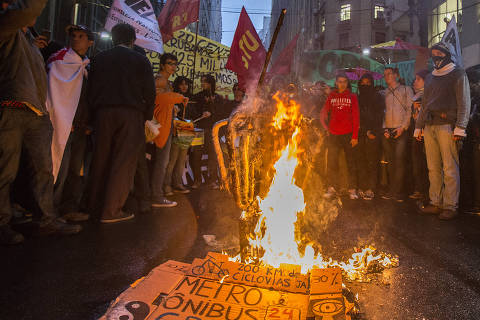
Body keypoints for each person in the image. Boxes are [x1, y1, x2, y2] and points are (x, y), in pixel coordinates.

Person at [0, 0, 81, 244]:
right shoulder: (5, 27)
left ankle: (45, 218)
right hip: (10, 107)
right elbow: (27, 10)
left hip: (35, 113)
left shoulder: (28, 41)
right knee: (5, 171)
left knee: (43, 170)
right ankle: (2, 223)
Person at [86, 23, 155, 223]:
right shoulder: (141, 60)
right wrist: (146, 116)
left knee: (100, 159)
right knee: (124, 162)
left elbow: (90, 91)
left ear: (113, 39)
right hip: (130, 114)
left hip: (102, 113)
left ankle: (93, 207)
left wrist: (92, 117)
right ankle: (112, 211)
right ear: (133, 40)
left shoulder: (99, 59)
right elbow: (149, 93)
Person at [414, 42, 471, 220]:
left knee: (449, 168)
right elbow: (425, 105)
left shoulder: (457, 73)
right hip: (430, 125)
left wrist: (460, 127)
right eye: (434, 53)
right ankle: (435, 202)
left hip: (447, 125)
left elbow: (464, 102)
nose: (436, 55)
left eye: (440, 52)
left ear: (447, 54)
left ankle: (450, 205)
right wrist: (418, 127)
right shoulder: (431, 77)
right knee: (433, 167)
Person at [46, 25, 93, 222]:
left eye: (81, 36)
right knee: (59, 168)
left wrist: (88, 123)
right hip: (61, 124)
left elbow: (86, 98)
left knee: (76, 170)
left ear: (90, 42)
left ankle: (69, 208)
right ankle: (51, 210)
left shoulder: (86, 66)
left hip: (80, 128)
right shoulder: (60, 60)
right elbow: (54, 92)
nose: (76, 39)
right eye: (73, 36)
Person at [151, 53, 188, 207]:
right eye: (169, 63)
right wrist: (177, 98)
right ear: (162, 65)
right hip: (159, 126)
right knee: (162, 162)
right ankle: (157, 196)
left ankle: (157, 193)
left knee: (163, 162)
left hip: (165, 125)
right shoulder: (159, 80)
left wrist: (173, 108)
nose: (173, 66)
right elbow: (157, 99)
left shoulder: (167, 82)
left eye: (175, 63)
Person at [321, 73, 360, 200]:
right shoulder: (331, 96)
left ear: (347, 83)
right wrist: (327, 128)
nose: (342, 84)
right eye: (339, 81)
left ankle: (352, 189)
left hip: (348, 134)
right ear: (336, 83)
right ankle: (332, 187)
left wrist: (355, 136)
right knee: (332, 163)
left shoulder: (352, 97)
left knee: (351, 163)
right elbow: (323, 114)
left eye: (344, 81)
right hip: (334, 135)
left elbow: (356, 117)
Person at [381, 67, 413, 202]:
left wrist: (403, 127)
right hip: (388, 130)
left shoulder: (406, 90)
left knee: (399, 161)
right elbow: (383, 112)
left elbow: (409, 110)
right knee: (391, 161)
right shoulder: (385, 93)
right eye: (385, 74)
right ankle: (392, 189)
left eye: (389, 74)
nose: (386, 76)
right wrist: (384, 129)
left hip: (401, 130)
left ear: (396, 75)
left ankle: (399, 191)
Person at [191, 74, 224, 189]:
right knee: (196, 155)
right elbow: (193, 111)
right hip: (199, 129)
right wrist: (201, 113)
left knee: (213, 155)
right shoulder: (197, 97)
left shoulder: (218, 98)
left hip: (212, 131)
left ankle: (212, 180)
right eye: (202, 81)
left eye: (205, 82)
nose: (202, 84)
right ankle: (197, 180)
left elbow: (221, 114)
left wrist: (212, 111)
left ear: (211, 83)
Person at [357, 73, 385, 200]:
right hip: (360, 133)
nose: (365, 85)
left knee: (372, 161)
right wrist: (363, 130)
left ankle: (372, 188)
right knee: (361, 160)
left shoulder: (377, 97)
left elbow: (379, 116)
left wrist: (371, 131)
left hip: (373, 133)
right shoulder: (357, 98)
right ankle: (362, 186)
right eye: (363, 83)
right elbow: (356, 117)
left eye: (368, 83)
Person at [163, 76, 193, 196]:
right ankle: (166, 184)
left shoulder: (189, 98)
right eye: (181, 84)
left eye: (186, 84)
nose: (184, 86)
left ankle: (177, 183)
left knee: (182, 159)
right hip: (175, 129)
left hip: (187, 129)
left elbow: (193, 113)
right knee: (172, 159)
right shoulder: (173, 97)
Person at [409, 69, 429, 200]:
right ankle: (420, 189)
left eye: (418, 79)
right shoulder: (415, 96)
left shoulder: (427, 95)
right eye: (415, 79)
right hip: (416, 133)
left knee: (425, 163)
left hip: (425, 134)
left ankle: (426, 192)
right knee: (417, 162)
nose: (415, 82)